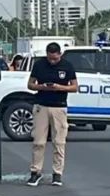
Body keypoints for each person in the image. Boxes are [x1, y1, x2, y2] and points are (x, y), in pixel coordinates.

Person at [26, 42, 77, 187]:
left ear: (59, 54)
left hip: (59, 107)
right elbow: (30, 84)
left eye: (54, 58)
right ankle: (35, 172)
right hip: (41, 104)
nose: (52, 61)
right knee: (38, 141)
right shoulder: (39, 65)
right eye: (49, 58)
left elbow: (74, 87)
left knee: (59, 142)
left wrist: (59, 87)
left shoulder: (67, 66)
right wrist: (41, 86)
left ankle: (57, 173)